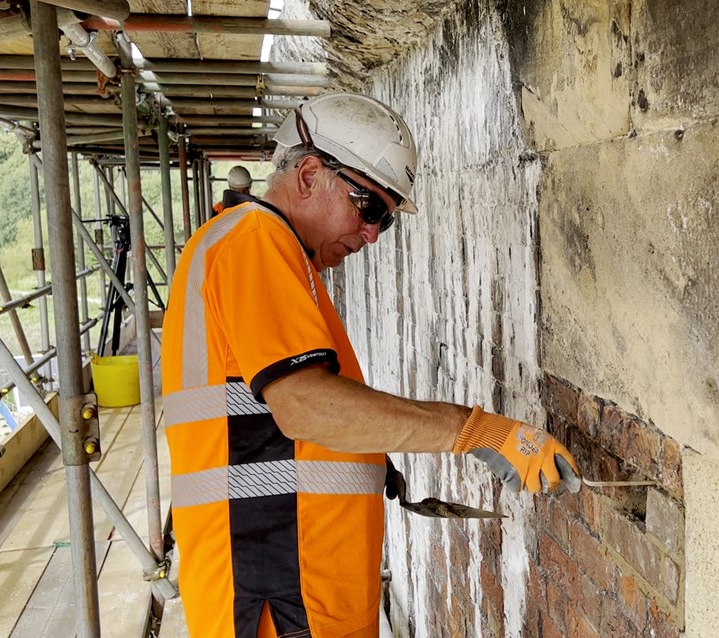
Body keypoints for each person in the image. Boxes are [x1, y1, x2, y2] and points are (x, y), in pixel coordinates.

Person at [160, 92, 581, 638]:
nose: (374, 233)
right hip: (278, 592)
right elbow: (304, 405)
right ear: (310, 175)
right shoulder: (254, 242)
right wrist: (480, 431)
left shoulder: (267, 252)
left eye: (385, 219)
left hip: (291, 589)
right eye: (371, 208)